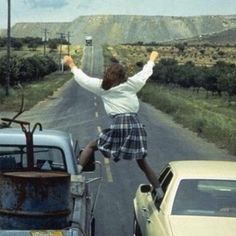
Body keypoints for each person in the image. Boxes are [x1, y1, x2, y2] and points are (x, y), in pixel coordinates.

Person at [64, 51, 163, 198]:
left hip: (119, 124)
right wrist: (152, 59)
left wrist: (71, 64)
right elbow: (145, 73)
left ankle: (76, 172)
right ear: (123, 75)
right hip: (135, 125)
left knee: (92, 146)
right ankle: (159, 191)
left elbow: (83, 79)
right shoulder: (132, 84)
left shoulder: (103, 88)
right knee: (142, 160)